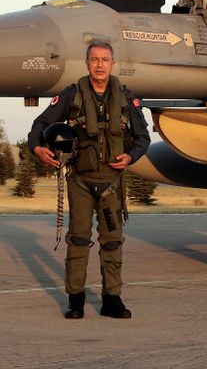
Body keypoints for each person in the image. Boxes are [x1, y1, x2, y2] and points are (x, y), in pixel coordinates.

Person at [28, 40, 150, 319]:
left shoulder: (125, 97)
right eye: (94, 60)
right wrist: (37, 147)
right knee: (79, 240)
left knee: (112, 241)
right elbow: (40, 125)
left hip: (111, 184)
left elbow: (143, 138)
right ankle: (76, 300)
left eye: (105, 60)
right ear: (87, 63)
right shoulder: (72, 95)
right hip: (81, 182)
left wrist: (130, 157)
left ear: (112, 64)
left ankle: (112, 299)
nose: (99, 65)